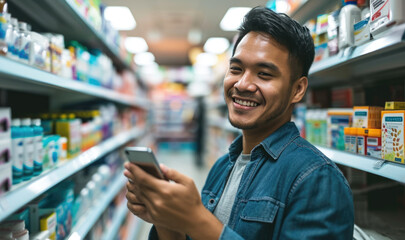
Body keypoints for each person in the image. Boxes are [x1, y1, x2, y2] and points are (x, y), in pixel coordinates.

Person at [124, 7, 354, 240]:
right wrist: (168, 220)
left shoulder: (317, 179)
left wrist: (196, 219)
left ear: (297, 89)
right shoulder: (223, 166)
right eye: (236, 69)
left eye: (264, 74)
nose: (242, 84)